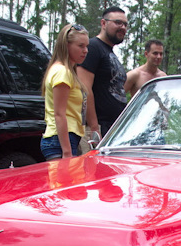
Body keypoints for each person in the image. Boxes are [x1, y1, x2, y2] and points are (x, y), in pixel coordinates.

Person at [41, 23, 94, 161]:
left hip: (65, 139)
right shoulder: (62, 72)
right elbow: (59, 114)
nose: (86, 50)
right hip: (60, 141)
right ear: (66, 45)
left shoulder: (67, 71)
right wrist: (67, 152)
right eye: (80, 46)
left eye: (87, 46)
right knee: (63, 181)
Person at [77, 8, 129, 137]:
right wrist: (94, 128)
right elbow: (84, 88)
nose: (122, 27)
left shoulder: (109, 52)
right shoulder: (93, 47)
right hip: (98, 127)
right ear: (103, 23)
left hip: (113, 128)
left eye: (125, 24)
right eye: (118, 22)